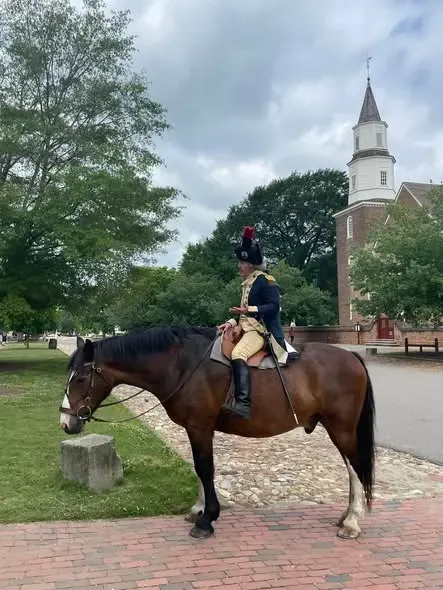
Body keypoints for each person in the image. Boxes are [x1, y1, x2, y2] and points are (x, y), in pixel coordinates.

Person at [217, 226, 287, 419]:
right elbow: (243, 310)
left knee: (239, 353)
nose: (239, 266)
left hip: (261, 331)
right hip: (245, 328)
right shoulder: (248, 281)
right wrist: (231, 322)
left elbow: (273, 307)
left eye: (242, 262)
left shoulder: (267, 281)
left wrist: (251, 310)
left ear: (251, 264)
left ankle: (243, 403)